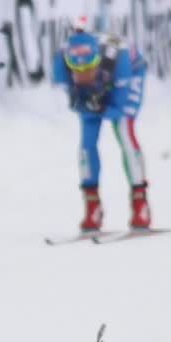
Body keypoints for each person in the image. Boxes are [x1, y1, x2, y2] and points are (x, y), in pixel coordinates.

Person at [51, 19, 151, 231]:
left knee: (123, 130)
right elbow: (73, 104)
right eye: (76, 70)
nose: (83, 74)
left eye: (89, 67)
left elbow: (119, 106)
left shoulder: (119, 59)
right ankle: (92, 205)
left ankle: (140, 202)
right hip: (99, 88)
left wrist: (101, 106)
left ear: (98, 60)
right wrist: (87, 103)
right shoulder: (61, 64)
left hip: (128, 77)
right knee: (87, 143)